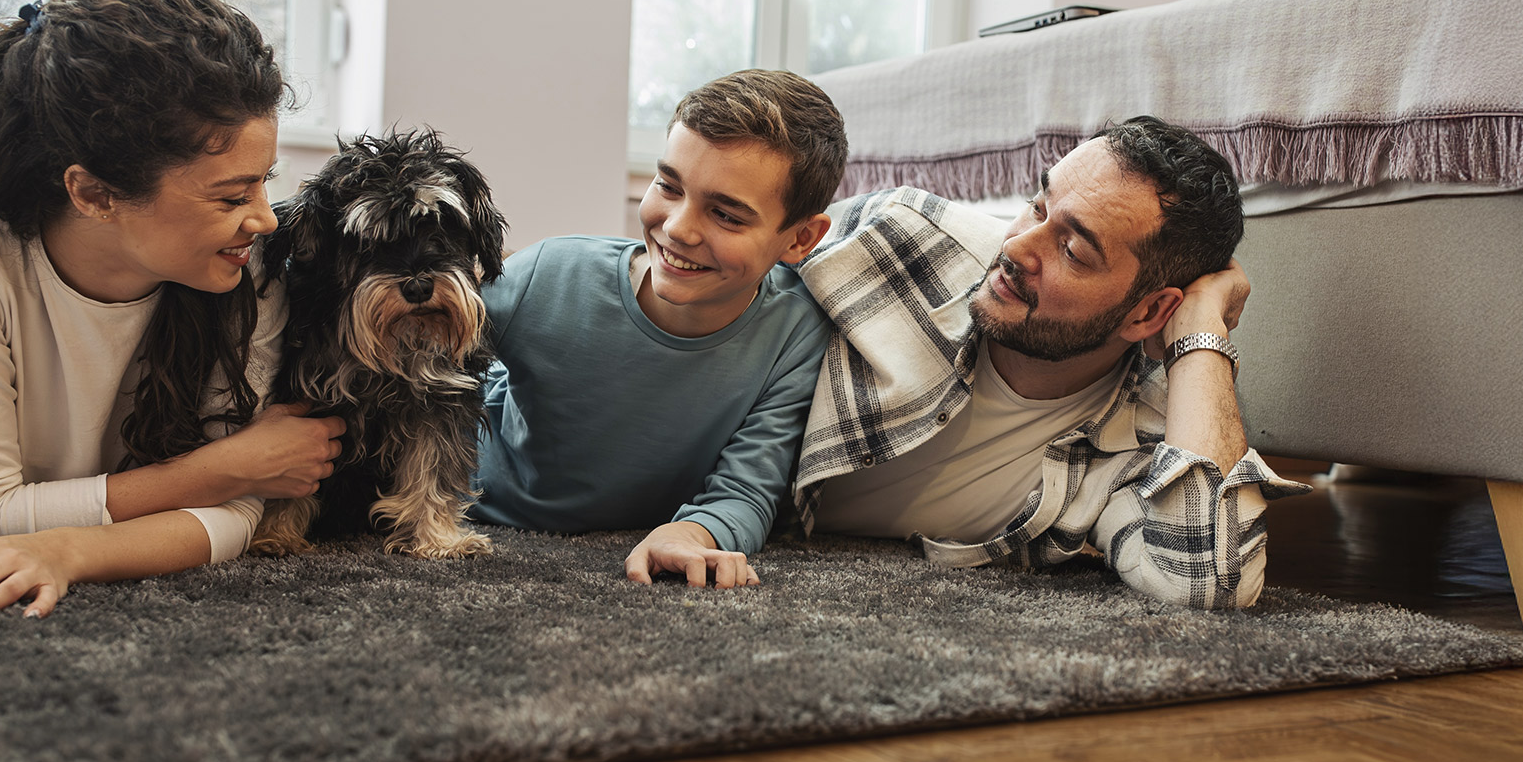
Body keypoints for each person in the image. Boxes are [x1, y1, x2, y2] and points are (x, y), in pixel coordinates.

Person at [0, 0, 346, 618]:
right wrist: (217, 469)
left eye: (264, 183)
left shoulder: (247, 266)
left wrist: (71, 546)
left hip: (88, 455)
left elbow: (236, 513)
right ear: (95, 194)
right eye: (232, 197)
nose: (265, 219)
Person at [793, 116, 1308, 609]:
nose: (1017, 245)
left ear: (1149, 311)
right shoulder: (904, 239)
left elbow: (1206, 584)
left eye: (1072, 250)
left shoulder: (1147, 436)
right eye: (1038, 206)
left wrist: (1200, 326)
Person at [468, 70, 842, 588]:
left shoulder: (795, 334)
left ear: (801, 238)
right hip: (478, 505)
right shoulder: (548, 273)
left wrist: (691, 534)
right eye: (668, 186)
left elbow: (746, 489)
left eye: (727, 216)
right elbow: (400, 356)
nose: (678, 228)